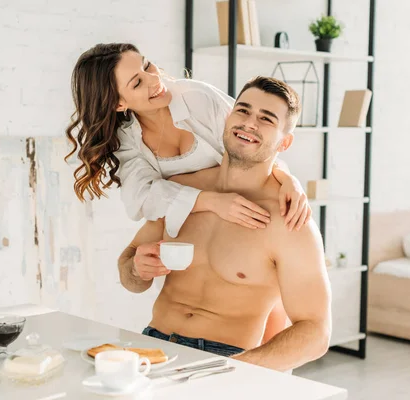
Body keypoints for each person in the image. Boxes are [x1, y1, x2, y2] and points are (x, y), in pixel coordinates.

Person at [117, 76, 332, 372]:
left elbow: (316, 332)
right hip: (152, 349)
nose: (249, 123)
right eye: (242, 110)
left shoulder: (288, 220)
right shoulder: (181, 191)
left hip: (227, 358)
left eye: (266, 119)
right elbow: (129, 274)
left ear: (285, 142)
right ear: (227, 119)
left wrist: (233, 370)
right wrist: (136, 268)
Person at [65, 43, 312, 240]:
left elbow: (254, 143)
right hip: (190, 236)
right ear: (119, 104)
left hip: (250, 215)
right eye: (138, 82)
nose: (154, 79)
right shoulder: (127, 141)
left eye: (147, 66)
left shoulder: (197, 99)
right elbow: (142, 199)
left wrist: (289, 179)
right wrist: (212, 201)